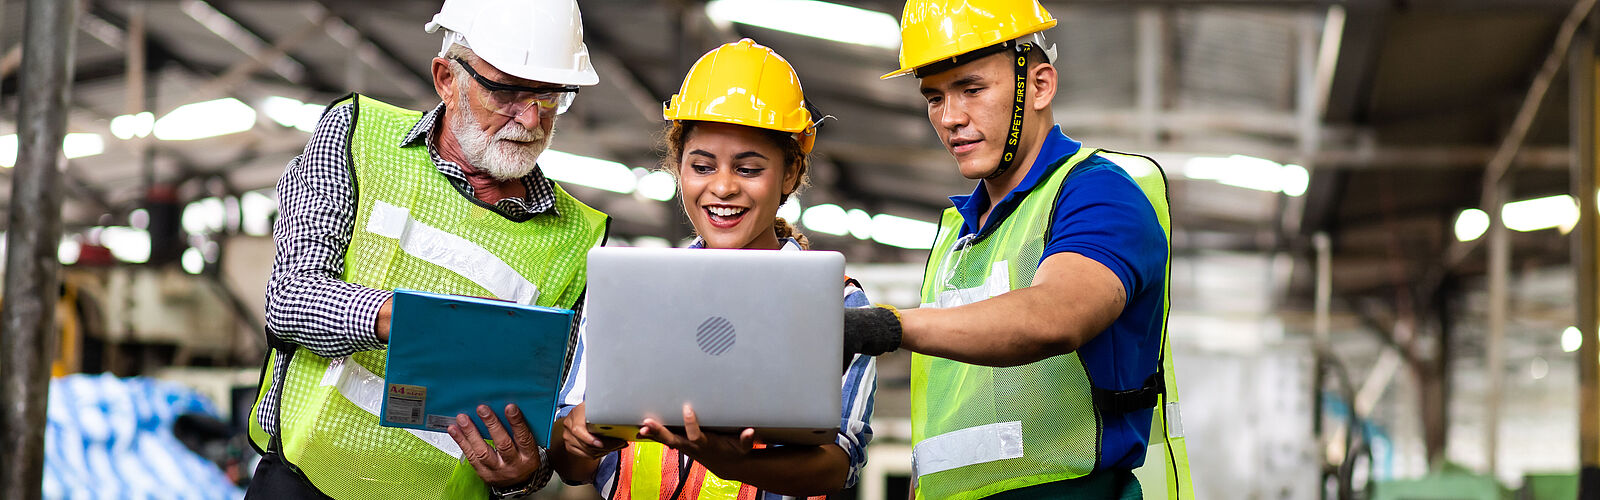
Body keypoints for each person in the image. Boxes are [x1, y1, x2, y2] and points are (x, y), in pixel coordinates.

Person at [243, 0, 609, 498]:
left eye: (549, 97)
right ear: (446, 78)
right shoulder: (359, 137)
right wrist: (417, 322)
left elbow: (545, 428)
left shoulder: (575, 237)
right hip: (303, 482)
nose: (530, 119)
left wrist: (524, 474)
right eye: (506, 92)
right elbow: (290, 299)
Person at [840, 1, 1196, 498]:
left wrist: (887, 326)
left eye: (972, 89)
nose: (950, 118)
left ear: (1040, 86)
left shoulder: (1098, 193)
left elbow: (1056, 315)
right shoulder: (958, 236)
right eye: (934, 97)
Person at [547, 39, 878, 500]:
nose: (722, 187)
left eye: (748, 169)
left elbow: (837, 466)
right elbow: (569, 463)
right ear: (678, 169)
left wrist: (734, 463)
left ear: (789, 174)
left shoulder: (837, 304)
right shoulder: (631, 291)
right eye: (702, 166)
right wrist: (578, 439)